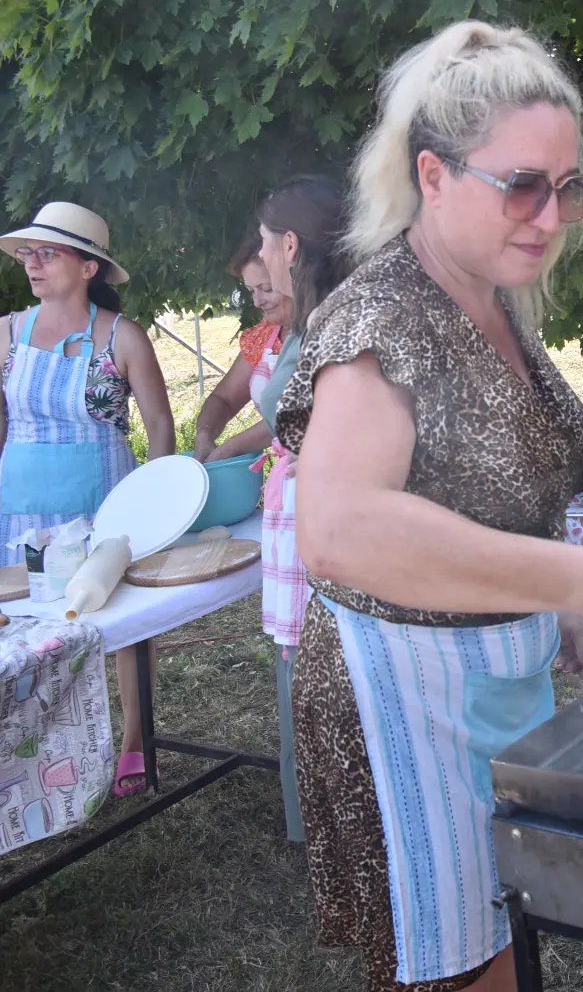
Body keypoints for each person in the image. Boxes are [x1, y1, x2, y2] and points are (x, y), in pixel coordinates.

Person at [275, 21, 583, 992]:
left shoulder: (495, 299)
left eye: (568, 186)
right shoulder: (380, 318)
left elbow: (491, 485)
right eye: (521, 184)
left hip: (487, 672)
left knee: (502, 939)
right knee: (464, 969)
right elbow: (341, 529)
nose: (551, 214)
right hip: (399, 691)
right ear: (434, 176)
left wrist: (555, 601)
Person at [0, 201, 175, 797]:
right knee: (28, 631)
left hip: (103, 504)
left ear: (88, 268)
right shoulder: (6, 332)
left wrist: (157, 509)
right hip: (19, 508)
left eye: (48, 253)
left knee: (122, 624)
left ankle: (133, 741)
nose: (33, 263)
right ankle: (34, 754)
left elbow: (160, 427)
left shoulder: (122, 337)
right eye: (29, 253)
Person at [198, 177, 349, 843]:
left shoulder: (318, 331)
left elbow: (290, 422)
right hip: (325, 521)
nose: (258, 265)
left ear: (289, 246)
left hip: (322, 523)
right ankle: (325, 823)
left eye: (264, 245)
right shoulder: (337, 318)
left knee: (313, 680)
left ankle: (324, 829)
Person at [191, 232, 292, 465]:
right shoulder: (264, 335)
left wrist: (231, 448)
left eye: (266, 289)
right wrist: (205, 434)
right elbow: (224, 398)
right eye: (251, 291)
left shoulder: (322, 332)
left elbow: (292, 413)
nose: (257, 302)